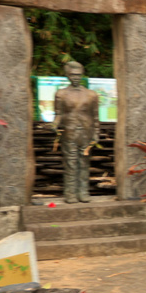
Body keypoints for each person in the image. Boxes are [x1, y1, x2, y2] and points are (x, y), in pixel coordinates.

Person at [53, 61, 99, 203]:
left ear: (82, 75)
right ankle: (70, 193)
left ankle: (83, 192)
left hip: (86, 133)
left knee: (84, 164)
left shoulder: (91, 95)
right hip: (69, 133)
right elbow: (58, 114)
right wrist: (54, 125)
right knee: (70, 164)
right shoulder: (61, 94)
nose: (76, 78)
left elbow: (95, 117)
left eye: (78, 75)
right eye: (73, 75)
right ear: (67, 75)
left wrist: (96, 134)